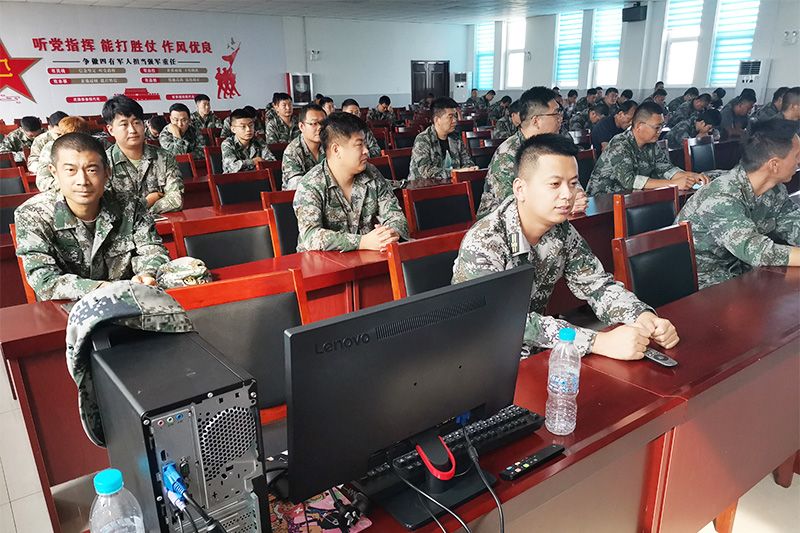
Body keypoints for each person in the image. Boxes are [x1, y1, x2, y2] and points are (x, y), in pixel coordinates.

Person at [453, 134, 679, 360]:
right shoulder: (485, 241)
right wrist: (595, 341)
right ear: (520, 189)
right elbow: (499, 319)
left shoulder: (561, 230)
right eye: (554, 184)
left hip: (533, 351)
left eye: (572, 183)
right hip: (480, 358)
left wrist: (642, 316)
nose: (567, 195)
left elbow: (597, 285)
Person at [14, 133, 170, 301]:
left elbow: (153, 249)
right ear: (54, 172)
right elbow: (43, 278)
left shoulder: (130, 206)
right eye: (70, 170)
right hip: (68, 308)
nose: (82, 181)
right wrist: (103, 289)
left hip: (131, 301)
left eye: (92, 170)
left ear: (107, 172)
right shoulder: (33, 215)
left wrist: (146, 274)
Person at [676, 119, 800, 288]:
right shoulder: (721, 196)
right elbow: (754, 250)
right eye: (797, 156)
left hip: (741, 271)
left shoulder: (775, 190)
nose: (798, 162)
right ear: (774, 164)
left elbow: (793, 223)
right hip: (702, 281)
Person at [293, 112, 408, 252]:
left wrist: (389, 235)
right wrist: (362, 242)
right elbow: (311, 236)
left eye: (365, 144)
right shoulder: (310, 185)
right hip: (323, 262)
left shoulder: (371, 173)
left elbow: (396, 217)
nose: (366, 151)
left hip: (368, 258)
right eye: (359, 145)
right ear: (336, 150)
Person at [478, 86, 589, 218]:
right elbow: (512, 203)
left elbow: (571, 181)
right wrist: (561, 202)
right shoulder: (507, 154)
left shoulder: (553, 147)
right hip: (503, 222)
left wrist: (577, 196)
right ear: (536, 121)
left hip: (549, 216)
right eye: (556, 114)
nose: (561, 119)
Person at [587, 101, 708, 195]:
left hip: (632, 198)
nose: (660, 132)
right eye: (657, 128)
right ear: (639, 126)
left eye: (662, 127)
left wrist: (690, 176)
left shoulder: (652, 144)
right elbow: (630, 181)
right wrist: (673, 184)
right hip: (603, 199)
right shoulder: (620, 144)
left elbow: (666, 169)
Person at [103, 96, 183, 213]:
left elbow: (176, 200)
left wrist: (135, 212)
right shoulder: (103, 163)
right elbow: (107, 211)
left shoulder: (165, 157)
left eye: (136, 123)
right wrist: (148, 202)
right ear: (111, 130)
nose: (132, 130)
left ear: (143, 125)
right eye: (124, 124)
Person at [408, 97, 476, 181]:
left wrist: (469, 169)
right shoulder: (423, 139)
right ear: (437, 120)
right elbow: (426, 171)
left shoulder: (456, 138)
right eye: (450, 117)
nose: (455, 120)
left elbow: (468, 161)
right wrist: (455, 172)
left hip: (450, 185)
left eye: (455, 116)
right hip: (423, 186)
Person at [36, 116, 92, 191]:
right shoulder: (51, 148)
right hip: (61, 191)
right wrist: (70, 185)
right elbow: (42, 181)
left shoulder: (96, 145)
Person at [281, 104, 326, 189]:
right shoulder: (292, 152)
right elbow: (297, 186)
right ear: (301, 126)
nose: (320, 127)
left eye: (323, 123)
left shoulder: (330, 145)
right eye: (314, 123)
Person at [221, 108, 276, 174]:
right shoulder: (227, 143)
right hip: (234, 179)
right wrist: (253, 162)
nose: (248, 129)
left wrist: (244, 165)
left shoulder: (258, 140)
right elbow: (232, 167)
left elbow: (272, 162)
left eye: (251, 125)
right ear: (233, 129)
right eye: (243, 126)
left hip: (258, 178)